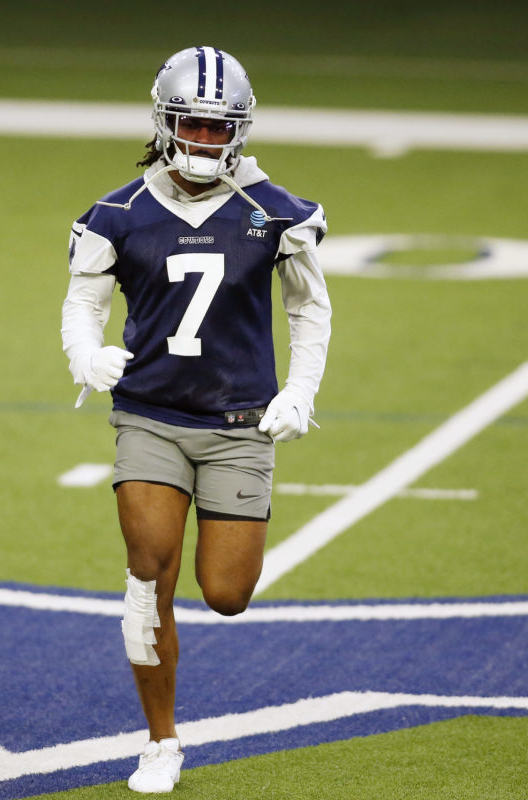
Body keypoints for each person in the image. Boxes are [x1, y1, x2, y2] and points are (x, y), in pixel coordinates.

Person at [60, 47, 332, 793]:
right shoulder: (117, 212)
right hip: (149, 415)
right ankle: (160, 741)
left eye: (221, 128)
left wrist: (300, 391)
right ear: (164, 121)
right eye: (193, 125)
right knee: (148, 573)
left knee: (226, 593)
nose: (206, 141)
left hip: (240, 421)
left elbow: (310, 309)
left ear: (239, 130)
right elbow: (83, 301)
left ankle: (162, 708)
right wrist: (87, 355)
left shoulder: (273, 209)